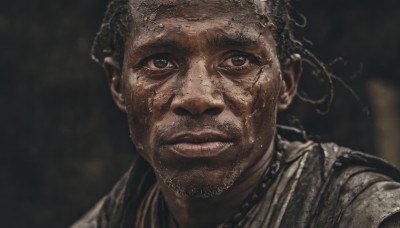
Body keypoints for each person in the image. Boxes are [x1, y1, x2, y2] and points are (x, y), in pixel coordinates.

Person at [72, 0, 400, 227]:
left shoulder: (367, 216)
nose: (197, 97)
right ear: (117, 85)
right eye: (160, 62)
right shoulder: (114, 218)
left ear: (286, 83)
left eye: (238, 61)